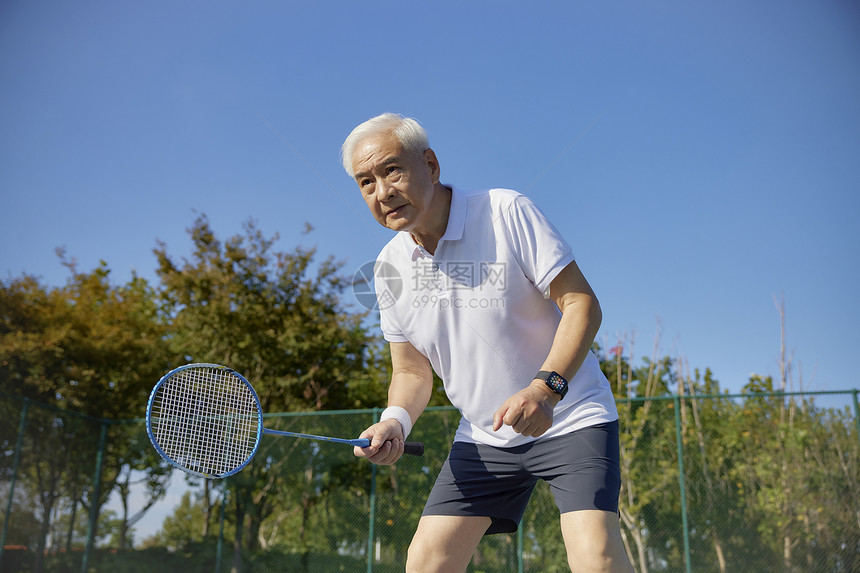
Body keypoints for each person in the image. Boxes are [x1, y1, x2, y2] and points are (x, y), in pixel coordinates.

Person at [342, 113, 634, 573]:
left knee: (595, 556)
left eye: (392, 170)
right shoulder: (387, 269)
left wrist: (544, 390)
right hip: (484, 437)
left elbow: (581, 304)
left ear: (431, 165)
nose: (382, 192)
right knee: (425, 563)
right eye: (365, 182)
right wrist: (394, 422)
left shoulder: (506, 211)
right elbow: (411, 371)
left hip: (572, 414)